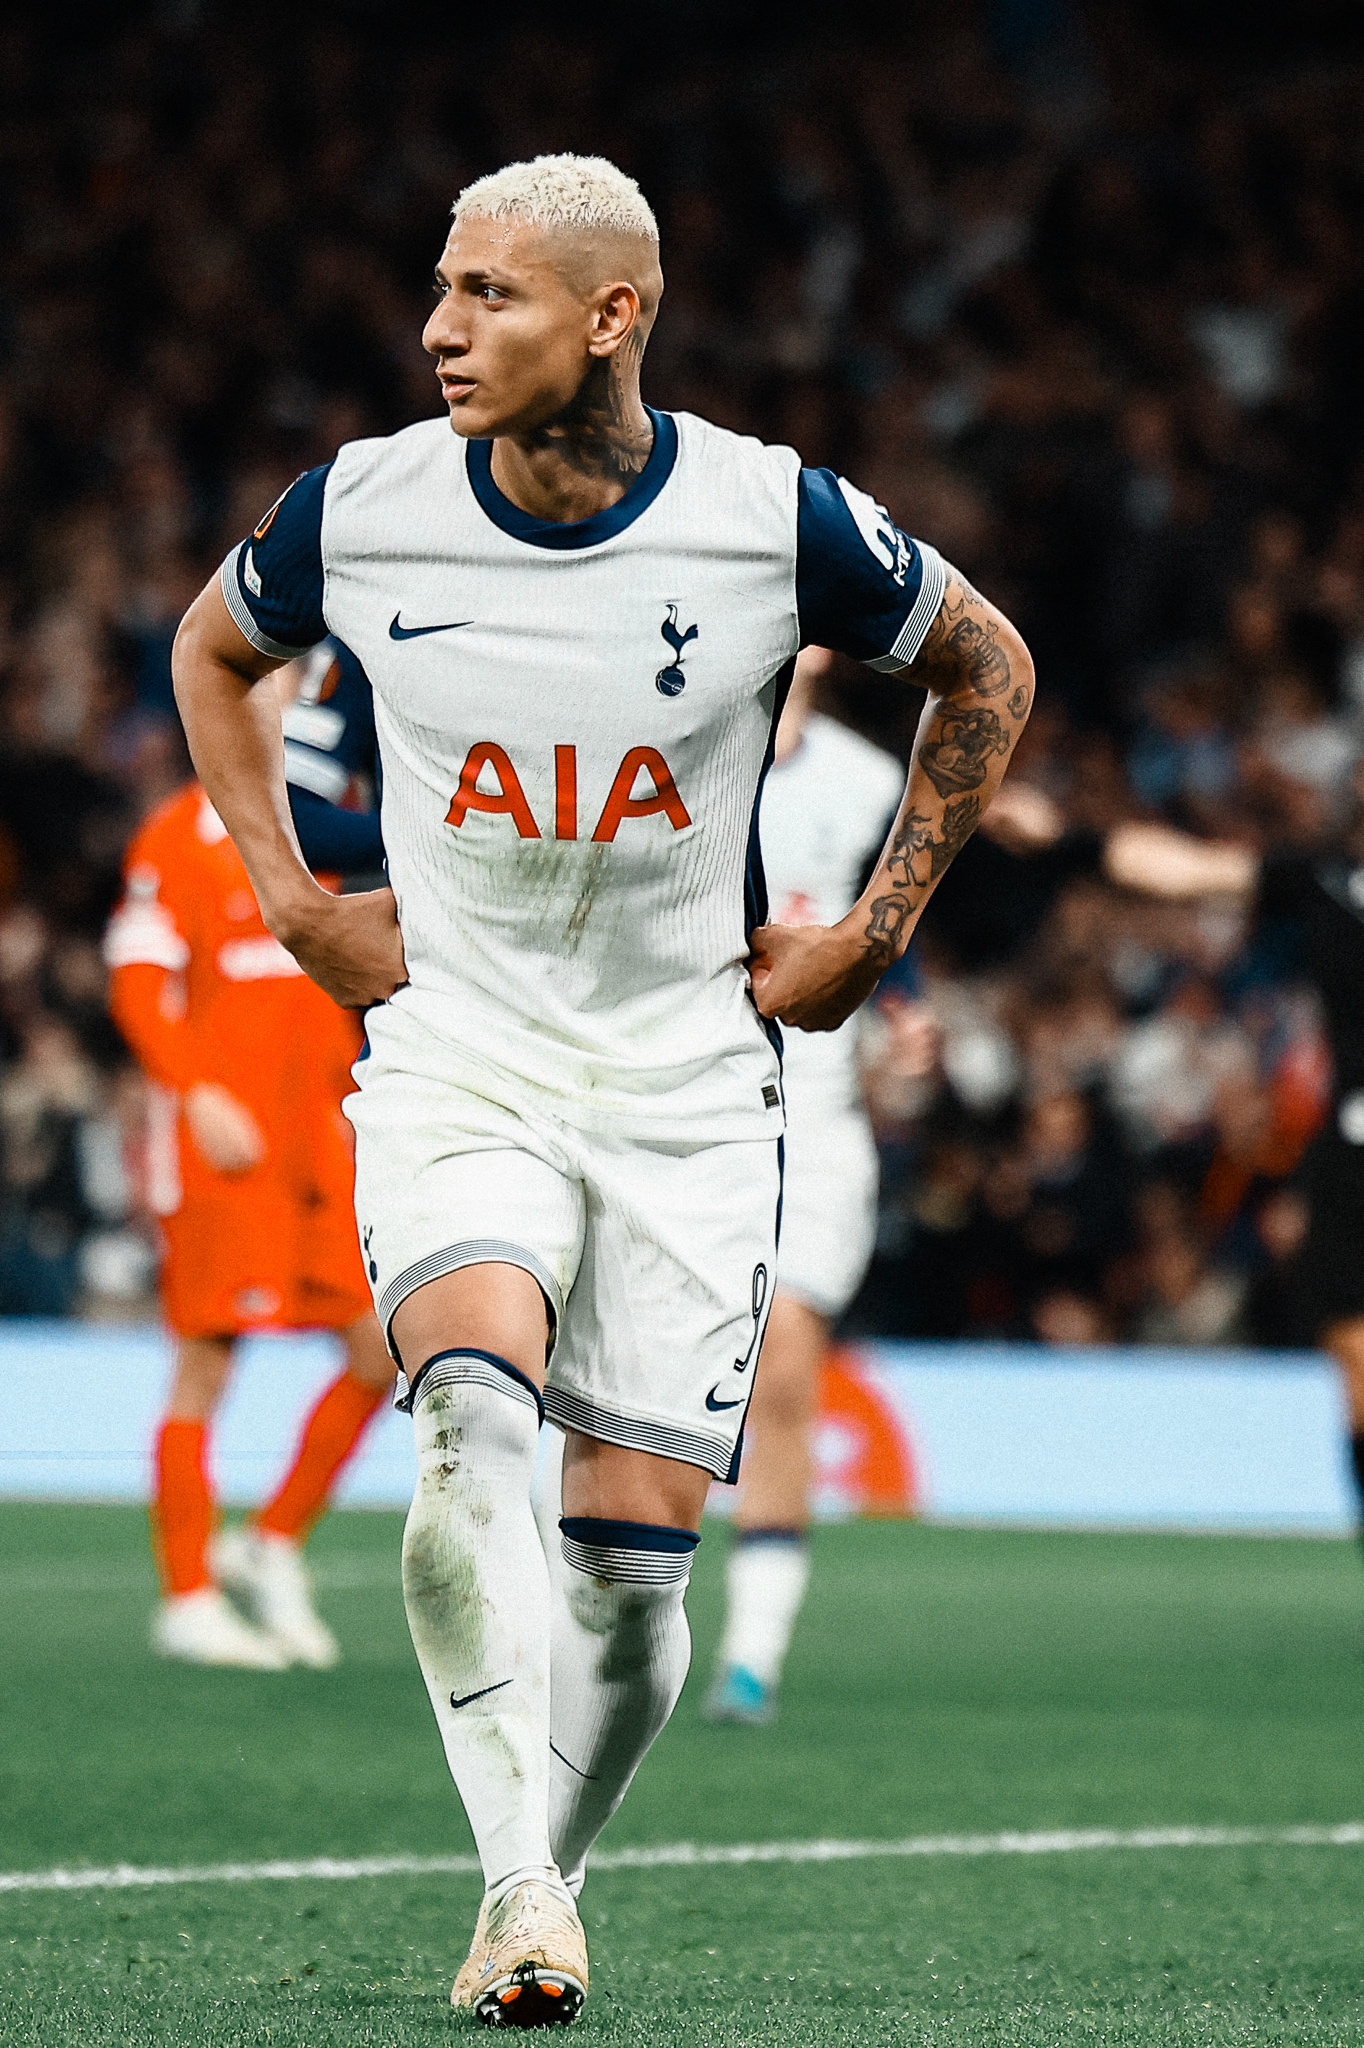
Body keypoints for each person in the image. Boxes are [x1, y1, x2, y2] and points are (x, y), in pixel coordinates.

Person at [173, 154, 1033, 2026]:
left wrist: (876, 933)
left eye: (487, 294)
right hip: (461, 1052)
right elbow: (210, 646)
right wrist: (286, 896)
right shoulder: (368, 503)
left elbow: (984, 664)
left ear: (611, 314)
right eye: (440, 286)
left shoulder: (765, 517)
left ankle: (549, 1871)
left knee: (630, 1582)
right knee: (465, 1411)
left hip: (681, 1087)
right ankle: (512, 1896)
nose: (438, 329)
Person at [106, 636, 396, 1671]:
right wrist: (196, 1091)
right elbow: (138, 984)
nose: (287, 698)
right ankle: (184, 1594)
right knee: (205, 1363)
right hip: (226, 1144)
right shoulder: (177, 836)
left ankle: (271, 1540)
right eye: (268, 680)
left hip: (322, 1136)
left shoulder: (319, 833)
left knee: (382, 1349)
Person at [987, 777, 1364, 1555]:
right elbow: (1186, 868)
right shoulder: (1331, 885)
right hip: (1351, 1163)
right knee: (1356, 1377)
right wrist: (1062, 837)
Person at [703, 646, 905, 1726]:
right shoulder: (674, 750)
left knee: (782, 1373)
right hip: (678, 1100)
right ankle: (599, 1628)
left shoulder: (871, 786)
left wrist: (905, 1031)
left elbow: (898, 942)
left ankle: (752, 1654)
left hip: (817, 1116)